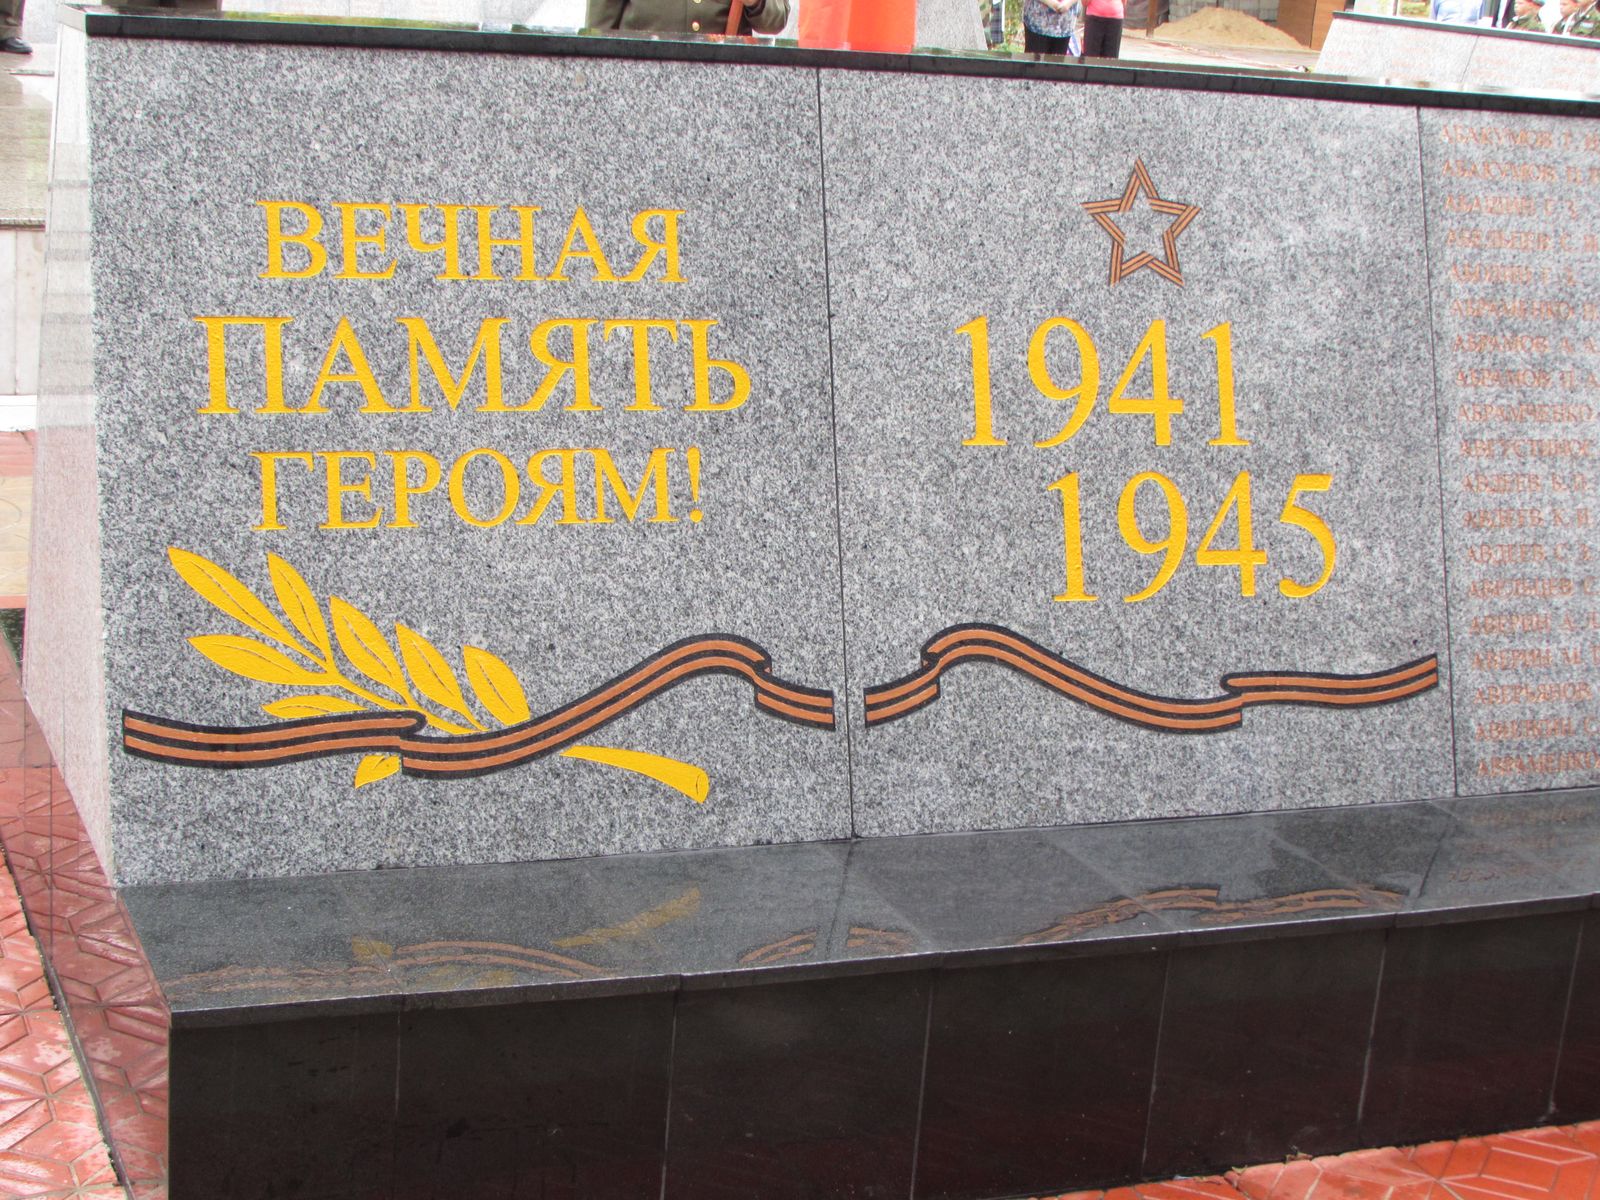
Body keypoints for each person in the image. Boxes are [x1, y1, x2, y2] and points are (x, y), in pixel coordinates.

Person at [586, 0, 788, 34]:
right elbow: (600, 29)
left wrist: (756, 2)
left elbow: (776, 21)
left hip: (723, 78)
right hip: (642, 75)